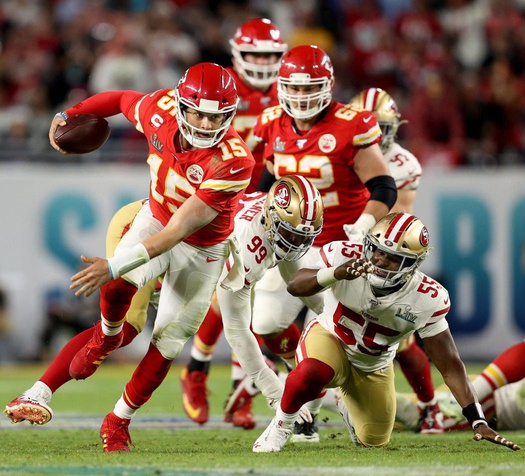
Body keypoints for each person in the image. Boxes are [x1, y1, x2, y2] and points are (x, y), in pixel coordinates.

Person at [39, 62, 253, 454]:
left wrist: (113, 264)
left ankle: (118, 420)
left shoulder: (234, 161)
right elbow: (120, 100)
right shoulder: (160, 109)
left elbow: (178, 234)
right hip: (155, 216)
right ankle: (106, 335)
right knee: (120, 281)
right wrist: (70, 113)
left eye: (216, 116)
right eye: (199, 113)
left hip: (201, 248)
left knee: (168, 343)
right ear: (181, 105)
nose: (206, 124)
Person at [5, 174, 323, 433]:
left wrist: (335, 327)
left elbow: (299, 283)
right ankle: (38, 392)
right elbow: (237, 331)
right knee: (127, 328)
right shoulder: (249, 245)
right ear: (270, 220)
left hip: (185, 250)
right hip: (153, 233)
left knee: (169, 339)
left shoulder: (272, 229)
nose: (293, 243)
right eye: (288, 234)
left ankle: (120, 417)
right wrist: (275, 393)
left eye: (300, 236)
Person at [252, 212, 520, 452]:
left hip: (373, 365)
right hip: (330, 337)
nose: (380, 260)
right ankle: (281, 427)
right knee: (312, 371)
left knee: (373, 441)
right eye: (377, 250)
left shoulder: (427, 298)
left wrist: (477, 419)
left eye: (393, 258)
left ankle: (345, 402)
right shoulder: (344, 255)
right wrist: (336, 272)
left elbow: (450, 365)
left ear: (411, 265)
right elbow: (296, 285)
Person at [235, 44, 397, 441]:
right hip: (291, 248)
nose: (303, 98)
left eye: (311, 90)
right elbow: (269, 180)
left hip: (341, 246)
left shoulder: (351, 123)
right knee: (267, 323)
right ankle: (306, 373)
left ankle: (328, 394)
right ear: (282, 87)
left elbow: (383, 185)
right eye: (295, 88)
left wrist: (363, 224)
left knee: (340, 333)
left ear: (328, 87)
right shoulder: (273, 121)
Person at [179, 18, 288, 430]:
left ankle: (221, 380)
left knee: (247, 297)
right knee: (233, 291)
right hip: (218, 196)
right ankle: (203, 371)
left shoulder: (290, 91)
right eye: (255, 53)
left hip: (266, 200)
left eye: (269, 55)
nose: (262, 62)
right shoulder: (216, 89)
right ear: (237, 53)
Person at [349, 87, 442, 434]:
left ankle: (429, 406)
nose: (376, 134)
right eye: (368, 126)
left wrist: (368, 248)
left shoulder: (403, 163)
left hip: (382, 252)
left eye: (382, 126)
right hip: (346, 243)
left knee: (400, 338)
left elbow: (398, 223)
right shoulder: (343, 145)